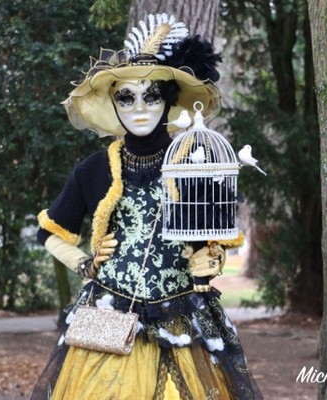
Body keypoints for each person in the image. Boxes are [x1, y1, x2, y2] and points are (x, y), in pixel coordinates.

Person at [31, 13, 262, 399]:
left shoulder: (194, 159)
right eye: (126, 96)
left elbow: (218, 233)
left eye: (151, 95)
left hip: (183, 316)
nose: (139, 107)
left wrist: (212, 258)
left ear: (168, 101)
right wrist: (85, 264)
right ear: (115, 104)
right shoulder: (94, 169)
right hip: (109, 314)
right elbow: (49, 232)